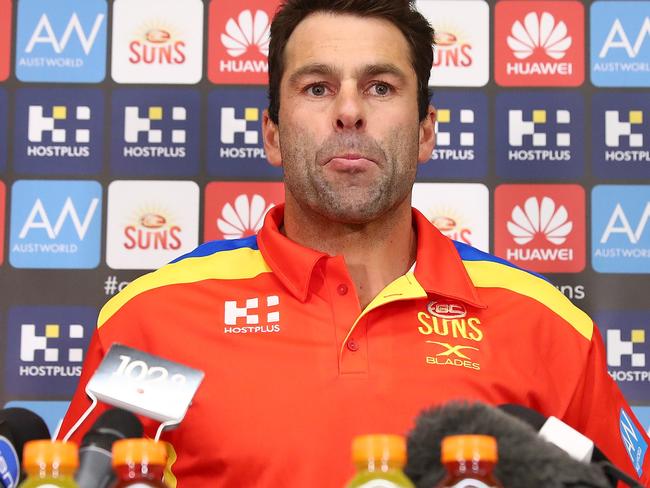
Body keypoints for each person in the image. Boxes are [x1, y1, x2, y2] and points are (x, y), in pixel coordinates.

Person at [60, 0, 650, 486]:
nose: (348, 111)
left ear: (424, 133)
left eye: (380, 87)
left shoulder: (544, 325)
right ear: (271, 134)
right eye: (317, 88)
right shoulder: (152, 319)